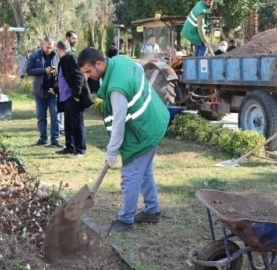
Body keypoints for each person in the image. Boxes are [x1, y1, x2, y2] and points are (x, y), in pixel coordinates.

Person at [77, 48, 170, 231]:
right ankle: (152, 210)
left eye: (89, 71)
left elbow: (118, 123)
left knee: (130, 176)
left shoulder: (116, 89)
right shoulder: (121, 60)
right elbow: (138, 68)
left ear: (99, 63)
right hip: (154, 121)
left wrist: (111, 152)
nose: (88, 77)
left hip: (143, 133)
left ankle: (126, 219)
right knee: (144, 172)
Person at [55, 39, 94, 157]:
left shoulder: (71, 58)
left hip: (74, 97)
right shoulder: (63, 60)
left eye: (57, 50)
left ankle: (80, 149)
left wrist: (76, 95)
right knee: (68, 124)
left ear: (60, 49)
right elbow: (64, 78)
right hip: (65, 97)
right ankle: (70, 147)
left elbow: (79, 76)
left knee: (77, 124)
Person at [26, 37, 61, 147]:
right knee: (41, 116)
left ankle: (55, 139)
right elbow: (29, 70)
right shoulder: (34, 56)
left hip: (53, 92)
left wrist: (56, 75)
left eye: (51, 47)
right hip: (39, 91)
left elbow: (62, 71)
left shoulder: (57, 56)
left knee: (55, 116)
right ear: (42, 45)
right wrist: (44, 70)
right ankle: (43, 138)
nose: (49, 49)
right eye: (47, 47)